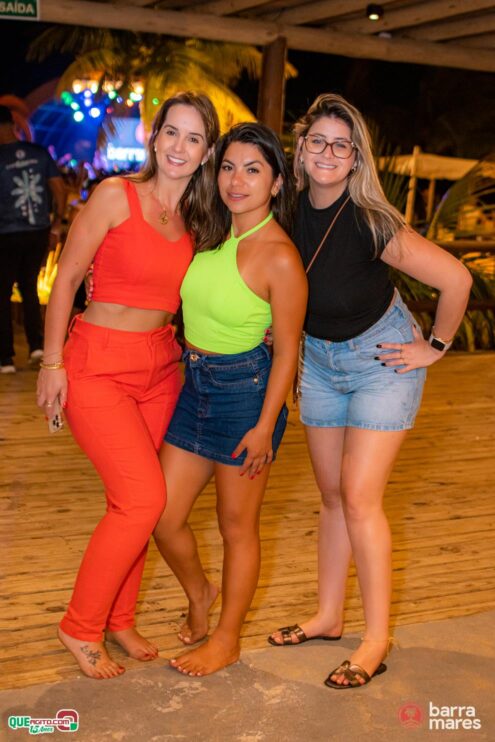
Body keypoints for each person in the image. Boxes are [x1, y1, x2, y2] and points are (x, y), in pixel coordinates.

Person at [268, 94, 472, 689]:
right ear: (301, 151)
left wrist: (434, 346)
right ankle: (328, 616)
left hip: (381, 361)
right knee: (331, 496)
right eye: (318, 141)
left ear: (356, 158)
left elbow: (456, 278)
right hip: (318, 362)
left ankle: (376, 639)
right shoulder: (285, 212)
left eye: (342, 144)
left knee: (359, 497)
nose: (328, 153)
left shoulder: (370, 220)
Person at [36, 92, 220, 679]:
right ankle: (80, 625)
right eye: (172, 132)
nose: (179, 146)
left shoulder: (199, 221)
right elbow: (66, 279)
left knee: (144, 501)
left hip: (161, 366)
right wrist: (52, 363)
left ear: (206, 152)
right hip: (96, 363)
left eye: (194, 138)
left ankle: (119, 617)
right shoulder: (116, 195)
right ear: (154, 136)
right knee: (141, 499)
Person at [152, 122, 308, 677]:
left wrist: (266, 425)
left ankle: (228, 638)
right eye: (228, 167)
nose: (236, 181)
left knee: (236, 527)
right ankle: (200, 592)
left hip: (246, 397)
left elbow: (287, 352)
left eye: (253, 170)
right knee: (161, 516)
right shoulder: (210, 234)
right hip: (194, 386)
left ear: (277, 182)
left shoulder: (280, 257)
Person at [0, 105, 65, 373]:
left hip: (6, 233)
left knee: (3, 292)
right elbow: (58, 188)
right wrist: (56, 223)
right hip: (37, 231)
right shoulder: (38, 153)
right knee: (29, 287)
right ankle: (36, 346)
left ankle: (5, 358)